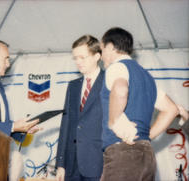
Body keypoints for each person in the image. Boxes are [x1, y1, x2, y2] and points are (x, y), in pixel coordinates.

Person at [99, 27, 180, 181]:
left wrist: (114, 121)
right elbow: (171, 109)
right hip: (146, 155)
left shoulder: (116, 67)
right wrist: (146, 137)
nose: (101, 56)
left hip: (122, 153)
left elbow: (121, 89)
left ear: (110, 47)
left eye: (102, 50)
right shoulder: (146, 76)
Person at [56, 35, 104, 181]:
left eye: (82, 57)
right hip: (71, 166)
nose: (78, 62)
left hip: (99, 164)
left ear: (97, 56)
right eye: (75, 58)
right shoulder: (73, 86)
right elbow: (66, 125)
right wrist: (60, 163)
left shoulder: (110, 82)